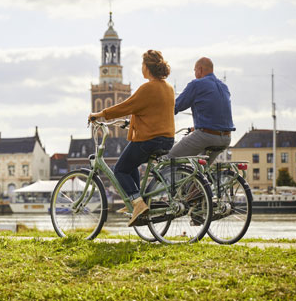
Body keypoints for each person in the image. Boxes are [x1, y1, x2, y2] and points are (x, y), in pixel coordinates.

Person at [89, 49, 175, 226]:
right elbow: (153, 111)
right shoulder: (168, 87)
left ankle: (137, 202)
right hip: (167, 139)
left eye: (142, 65)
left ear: (147, 68)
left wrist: (100, 114)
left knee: (120, 168)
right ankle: (137, 201)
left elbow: (126, 106)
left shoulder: (147, 88)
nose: (141, 68)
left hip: (150, 139)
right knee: (131, 164)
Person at [168, 57, 235, 163]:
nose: (195, 74)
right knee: (201, 172)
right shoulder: (224, 86)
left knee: (170, 159)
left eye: (194, 70)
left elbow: (175, 107)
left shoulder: (196, 84)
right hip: (226, 138)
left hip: (206, 136)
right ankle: (202, 179)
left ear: (200, 69)